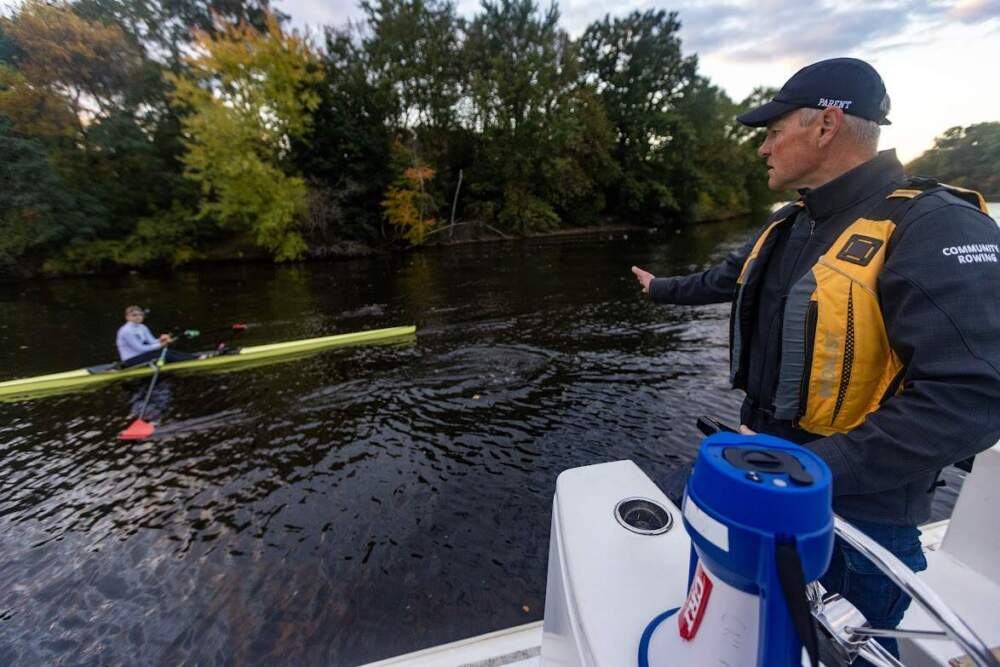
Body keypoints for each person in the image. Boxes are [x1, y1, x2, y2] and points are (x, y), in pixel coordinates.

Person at [632, 57, 1000, 659]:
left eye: (774, 132)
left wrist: (806, 470)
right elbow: (728, 277)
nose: (763, 149)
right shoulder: (792, 223)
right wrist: (659, 289)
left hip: (857, 522)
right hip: (765, 480)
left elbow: (976, 397)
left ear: (826, 126)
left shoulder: (934, 224)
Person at [116, 305, 203, 368]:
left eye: (140, 314)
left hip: (143, 356)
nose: (138, 317)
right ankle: (196, 359)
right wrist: (161, 345)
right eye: (134, 315)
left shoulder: (142, 327)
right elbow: (141, 349)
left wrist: (161, 340)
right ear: (127, 317)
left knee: (167, 351)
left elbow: (152, 342)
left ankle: (195, 357)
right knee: (165, 353)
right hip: (131, 360)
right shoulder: (125, 331)